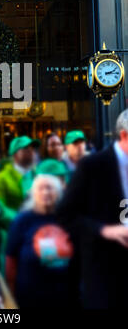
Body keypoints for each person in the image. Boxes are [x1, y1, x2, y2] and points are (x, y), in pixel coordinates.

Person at [57, 109, 128, 309]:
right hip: (105, 274)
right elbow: (65, 215)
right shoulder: (92, 166)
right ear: (124, 136)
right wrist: (104, 230)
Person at [6, 174, 74, 309]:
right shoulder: (21, 221)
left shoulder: (68, 219)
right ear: (32, 193)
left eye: (50, 188)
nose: (45, 192)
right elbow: (10, 261)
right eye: (40, 188)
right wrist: (11, 295)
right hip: (30, 297)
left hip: (65, 296)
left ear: (59, 192)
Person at [0, 136, 40, 210]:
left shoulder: (39, 175)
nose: (31, 151)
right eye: (26, 148)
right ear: (14, 154)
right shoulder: (1, 179)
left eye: (33, 148)